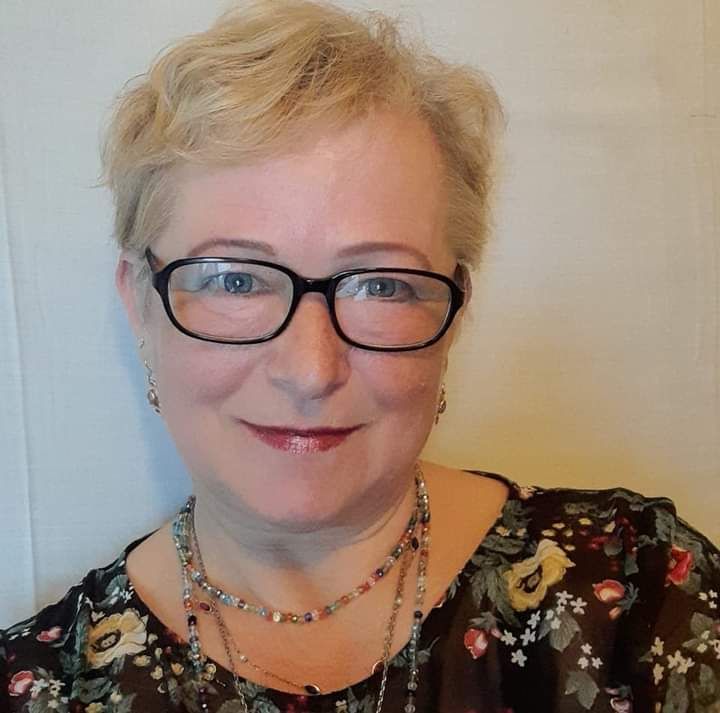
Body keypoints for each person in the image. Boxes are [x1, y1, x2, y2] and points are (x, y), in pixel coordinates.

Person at [1, 1, 718, 711]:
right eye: (236, 280)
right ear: (140, 302)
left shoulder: (639, 598)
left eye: (382, 285)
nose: (311, 371)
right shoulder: (41, 688)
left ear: (454, 313)